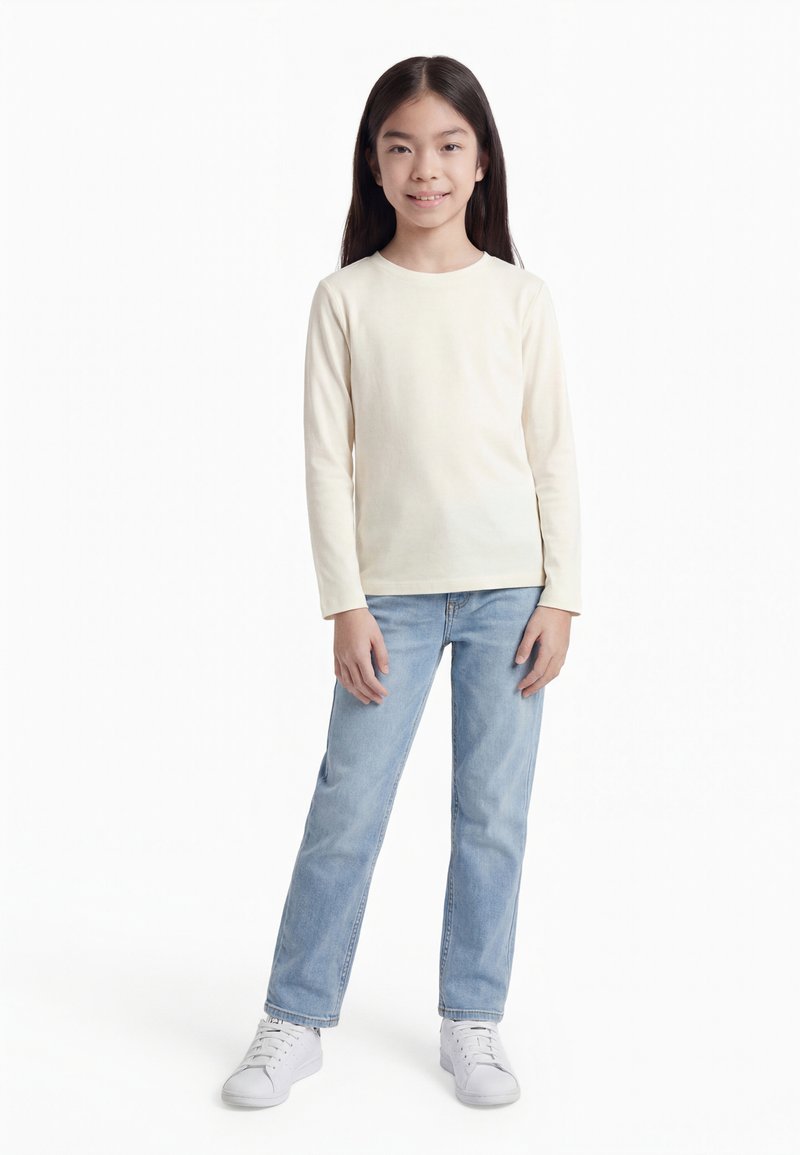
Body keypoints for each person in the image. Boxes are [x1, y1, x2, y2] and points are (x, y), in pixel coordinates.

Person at [221, 53, 582, 1111]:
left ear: (481, 162)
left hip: (511, 596)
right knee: (348, 807)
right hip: (389, 602)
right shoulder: (345, 299)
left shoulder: (519, 298)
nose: (426, 167)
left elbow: (553, 455)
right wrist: (344, 602)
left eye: (448, 145)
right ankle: (294, 1017)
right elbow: (323, 462)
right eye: (402, 147)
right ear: (373, 166)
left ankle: (472, 1017)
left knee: (492, 815)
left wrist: (562, 593)